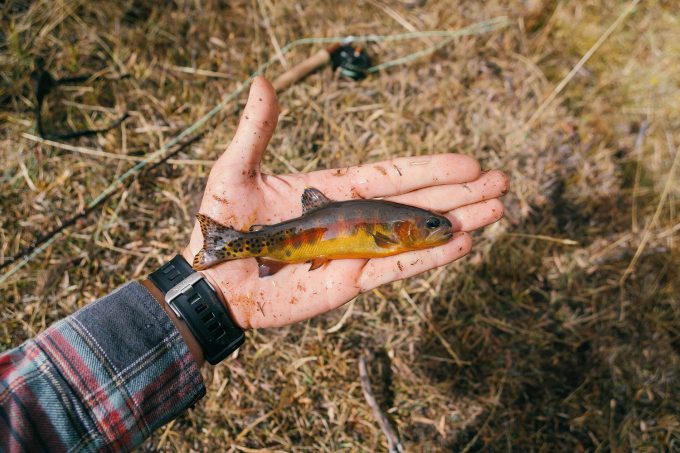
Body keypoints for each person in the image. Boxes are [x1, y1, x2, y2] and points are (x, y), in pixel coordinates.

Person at [0, 77, 508, 452]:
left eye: (430, 227)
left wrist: (196, 290)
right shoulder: (386, 234)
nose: (433, 230)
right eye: (428, 227)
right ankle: (227, 249)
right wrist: (208, 285)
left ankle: (225, 251)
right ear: (400, 231)